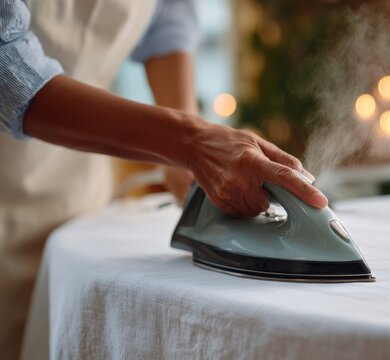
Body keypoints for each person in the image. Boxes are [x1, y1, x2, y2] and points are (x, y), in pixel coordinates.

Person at [0, 0, 327, 357]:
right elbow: (7, 68)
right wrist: (188, 141)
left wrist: (184, 159)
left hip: (79, 202)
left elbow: (167, 12)